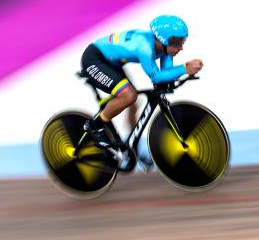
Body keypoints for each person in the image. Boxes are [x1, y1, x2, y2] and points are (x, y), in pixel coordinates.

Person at [80, 15, 203, 150]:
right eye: (177, 43)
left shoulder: (164, 47)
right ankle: (94, 126)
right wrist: (185, 68)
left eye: (182, 42)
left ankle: (132, 148)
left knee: (133, 105)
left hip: (111, 62)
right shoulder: (144, 47)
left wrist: (183, 72)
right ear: (163, 40)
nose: (181, 48)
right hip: (94, 59)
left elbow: (167, 71)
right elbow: (156, 77)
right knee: (129, 96)